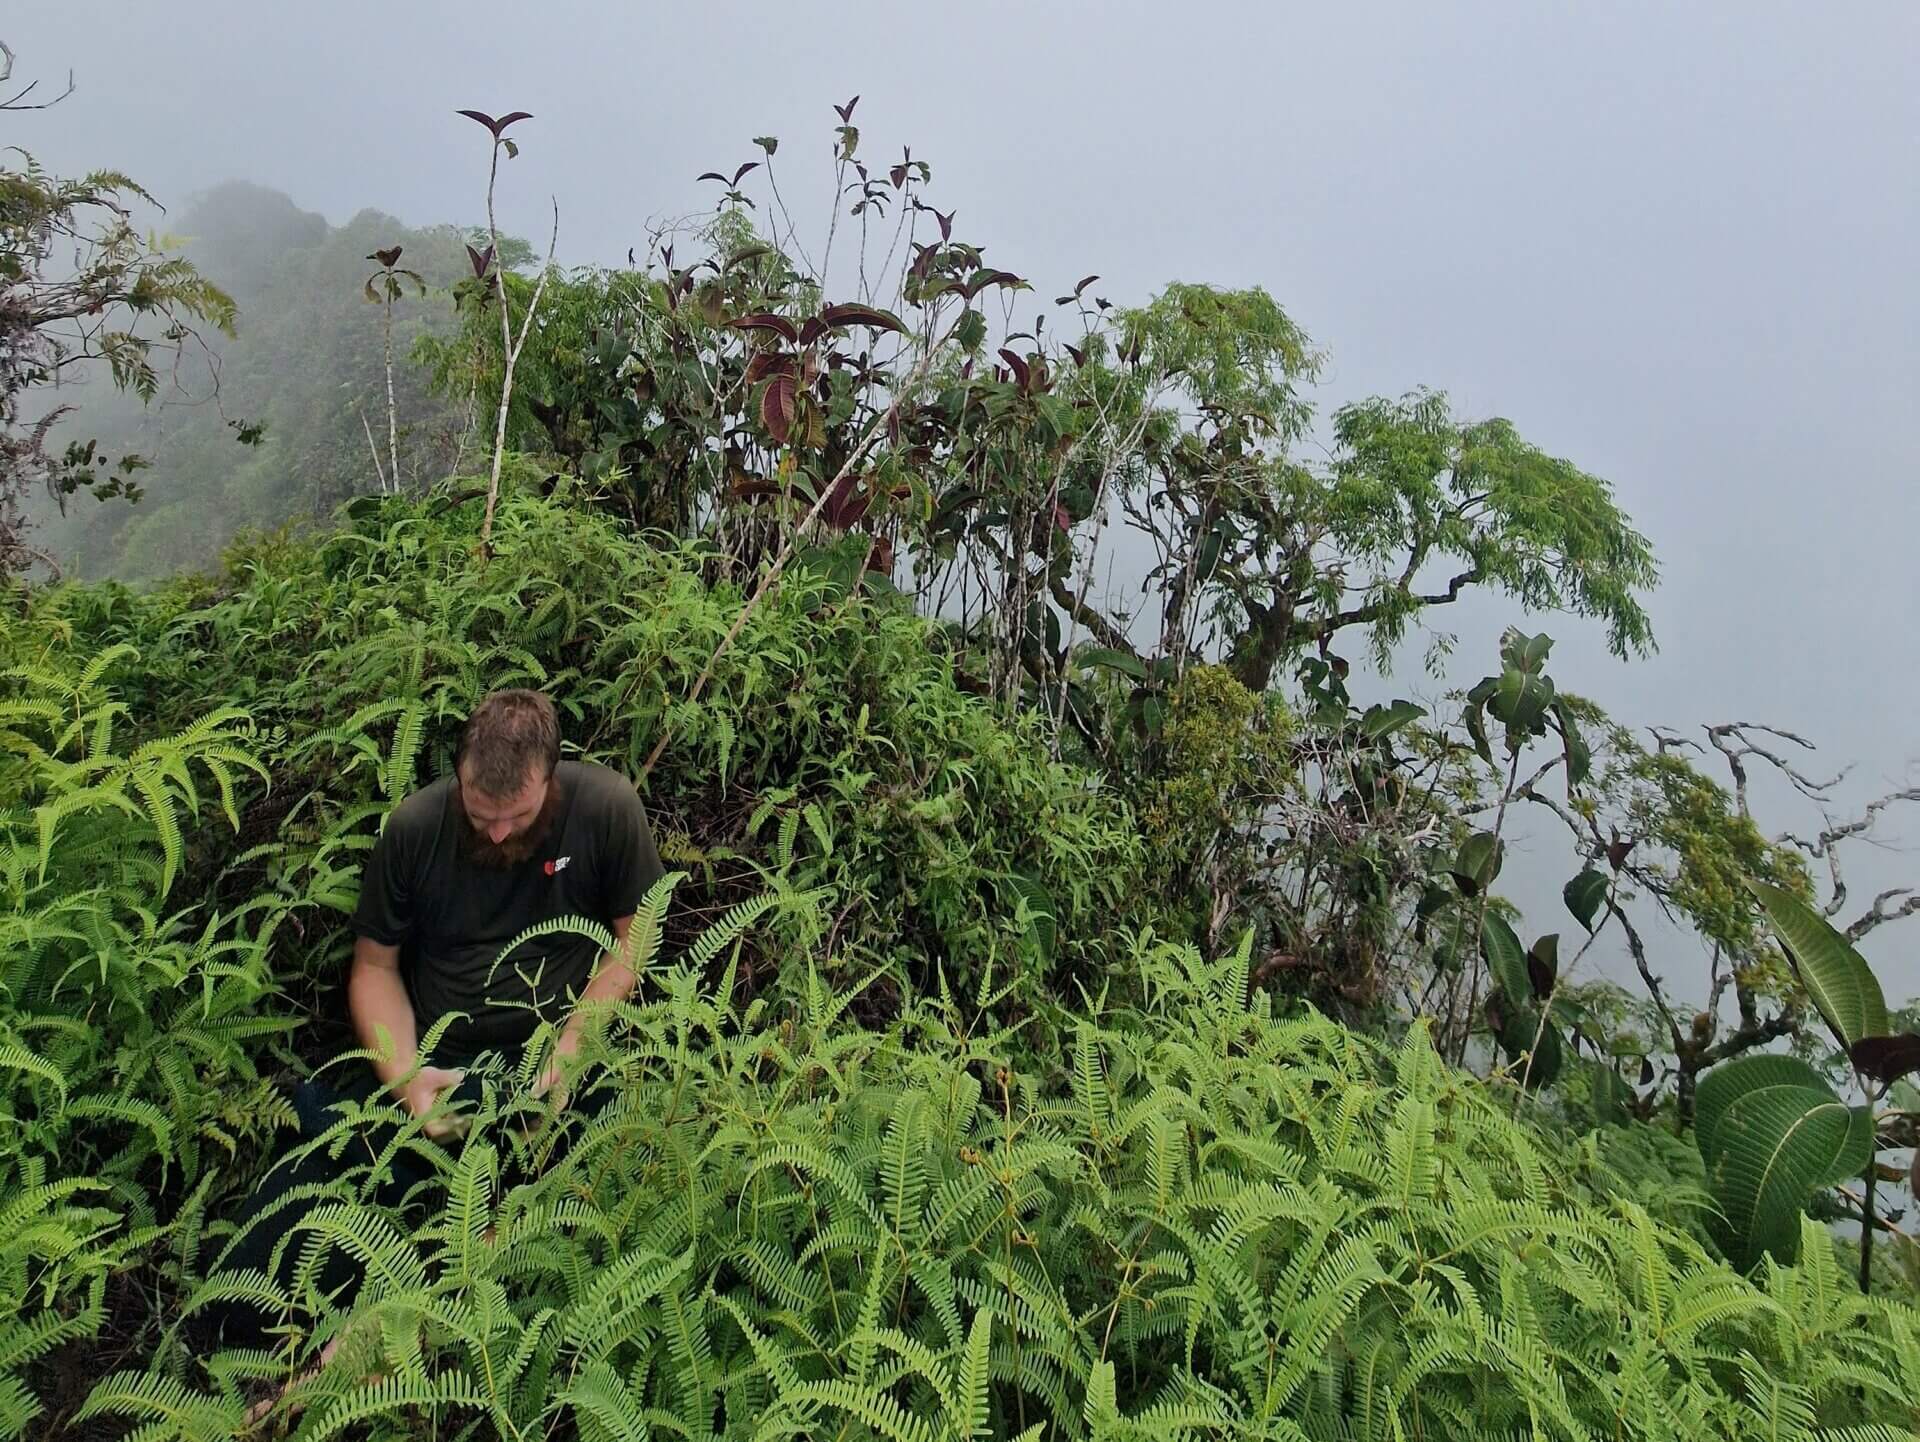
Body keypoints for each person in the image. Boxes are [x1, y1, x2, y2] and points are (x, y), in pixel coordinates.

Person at [206, 688, 664, 1351]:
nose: (499, 832)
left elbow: (636, 939)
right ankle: (264, 1343)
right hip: (442, 1074)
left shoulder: (607, 808)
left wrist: (574, 1041)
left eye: (518, 816)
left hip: (555, 1074)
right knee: (295, 1219)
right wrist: (408, 1078)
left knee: (580, 1192)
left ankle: (404, 1331)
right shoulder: (416, 829)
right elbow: (374, 970)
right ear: (459, 778)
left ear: (552, 775)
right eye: (481, 816)